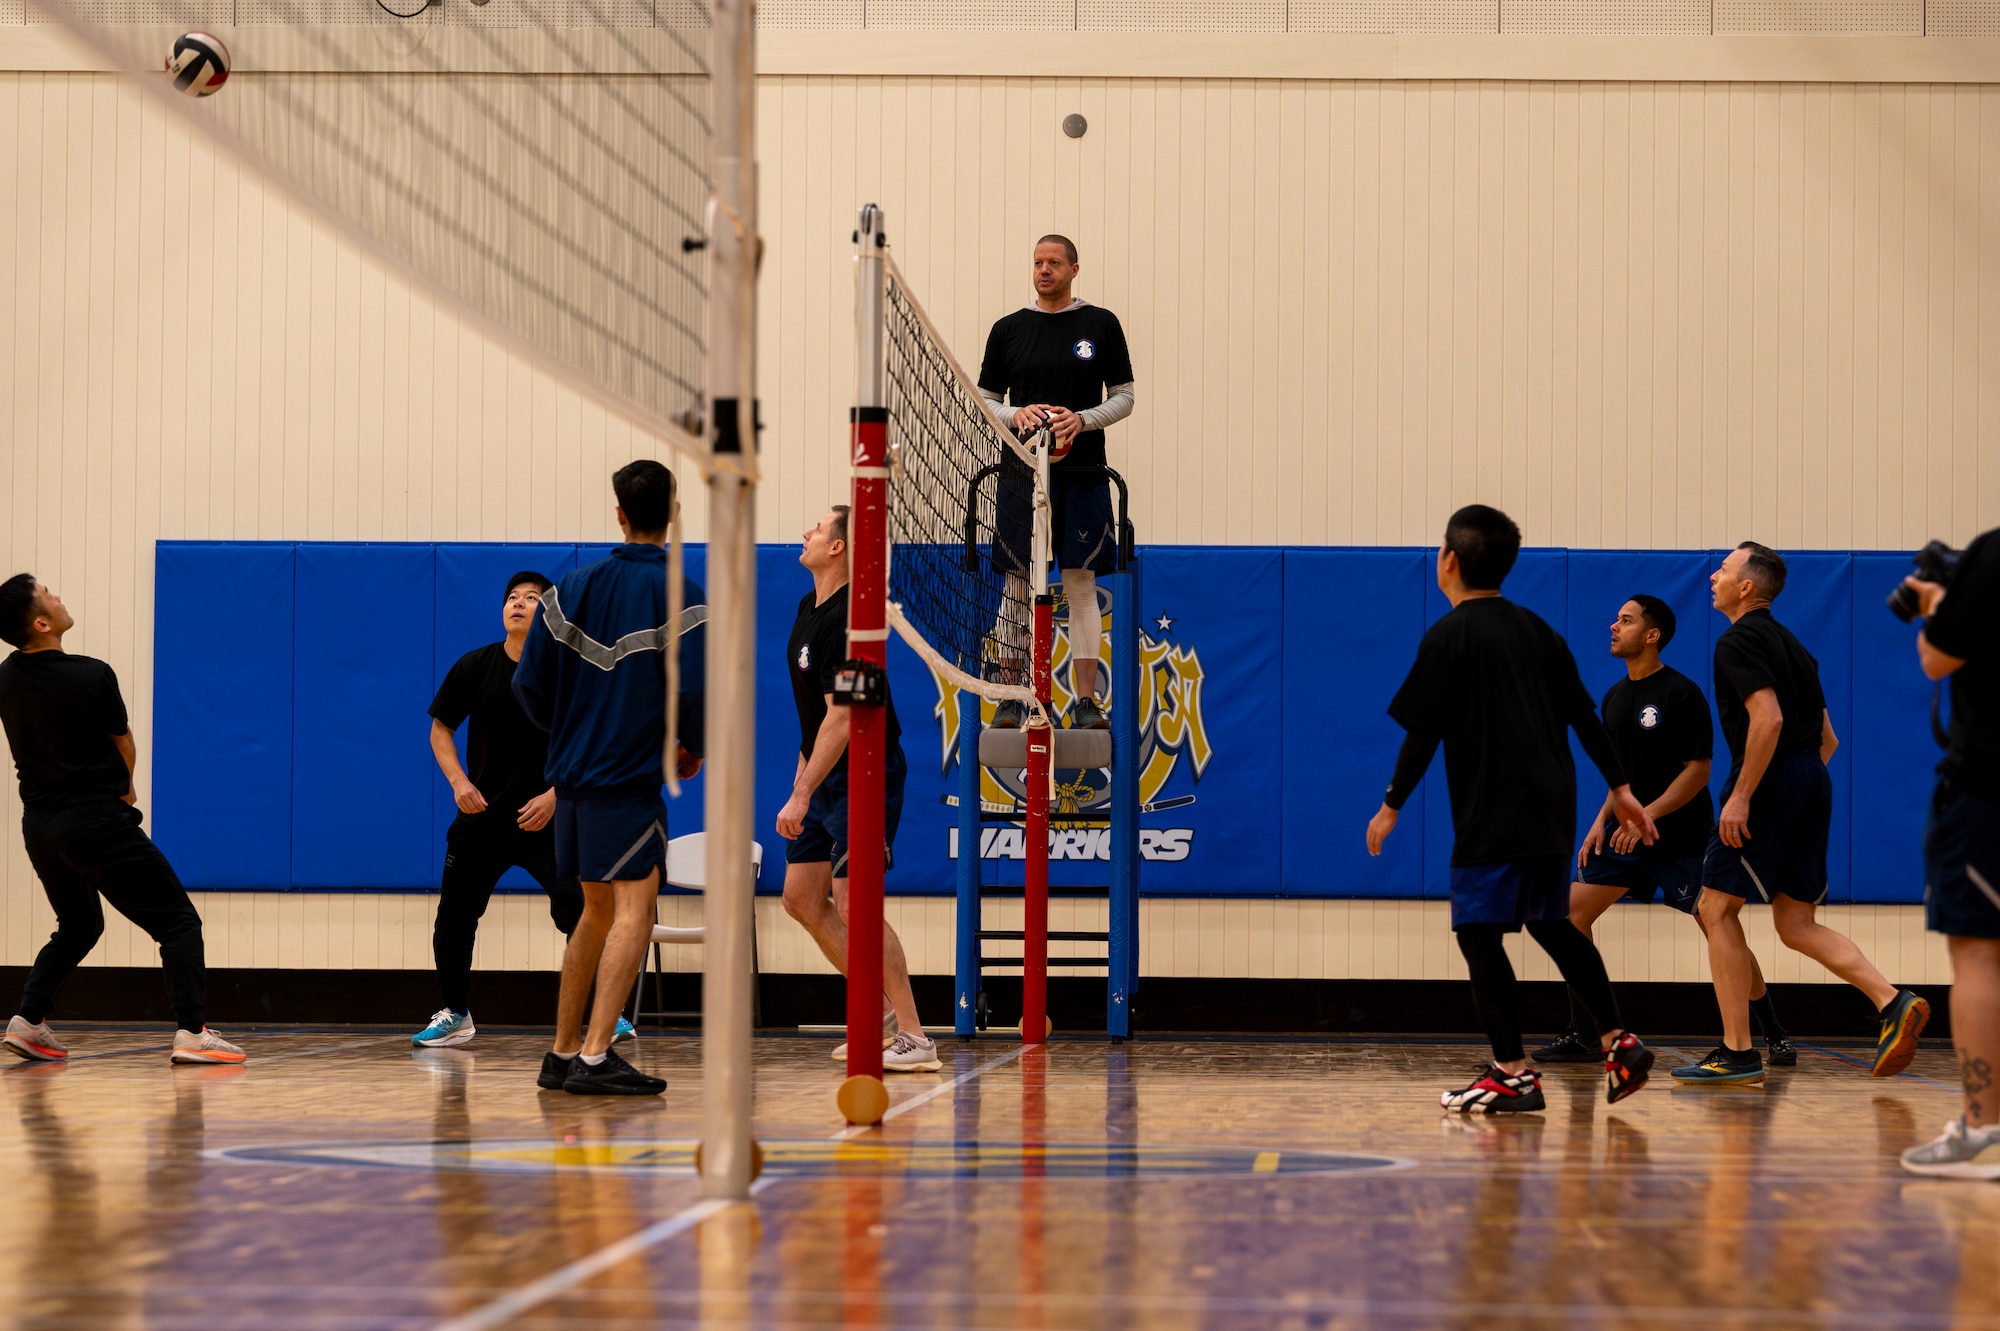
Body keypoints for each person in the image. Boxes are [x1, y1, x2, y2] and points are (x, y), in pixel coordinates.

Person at [1365, 506, 1658, 1113]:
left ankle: (1512, 1073)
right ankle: (1617, 1038)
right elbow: (1585, 715)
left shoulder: (1449, 635)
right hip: (1553, 808)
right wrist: (1623, 789)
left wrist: (1391, 805)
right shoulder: (1539, 630)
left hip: (1493, 812)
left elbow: (1423, 732)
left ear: (1448, 560)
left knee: (1478, 932)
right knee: (1550, 920)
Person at [1676, 542, 1929, 1086]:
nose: (1714, 576)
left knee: (1714, 909)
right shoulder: (1794, 645)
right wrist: (1796, 782)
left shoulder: (1737, 640)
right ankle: (1892, 1001)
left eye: (1723, 569)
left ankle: (1737, 1051)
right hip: (1812, 779)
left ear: (1747, 587)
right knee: (1795, 923)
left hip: (1770, 780)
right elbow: (1829, 739)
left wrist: (1743, 795)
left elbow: (1765, 720)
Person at [1534, 595, 1795, 1068]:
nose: (1614, 626)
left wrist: (1645, 817)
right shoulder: (1614, 698)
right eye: (1616, 619)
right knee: (1566, 916)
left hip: (1679, 841)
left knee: (1720, 928)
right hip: (1625, 839)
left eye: (1626, 621)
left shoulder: (1680, 692)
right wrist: (1599, 824)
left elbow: (1697, 772)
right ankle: (1588, 1032)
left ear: (1651, 636)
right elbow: (1621, 780)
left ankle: (1773, 1032)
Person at [514, 460, 705, 1096]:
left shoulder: (565, 591)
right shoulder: (683, 592)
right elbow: (699, 691)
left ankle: (562, 1052)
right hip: (627, 780)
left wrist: (570, 739)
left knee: (596, 910)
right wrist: (692, 747)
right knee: (634, 908)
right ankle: (596, 1056)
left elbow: (528, 687)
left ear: (619, 514)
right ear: (674, 514)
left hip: (572, 781)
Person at [0, 575, 245, 1066]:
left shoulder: (5, 677)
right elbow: (123, 741)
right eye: (50, 595)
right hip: (95, 821)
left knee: (78, 924)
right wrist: (127, 785)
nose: (60, 595)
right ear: (42, 622)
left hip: (41, 828)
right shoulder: (92, 674)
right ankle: (192, 1032)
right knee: (177, 921)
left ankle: (29, 1020)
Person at [414, 571, 614, 1050]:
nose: (518, 604)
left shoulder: (567, 670)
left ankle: (607, 1012)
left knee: (581, 912)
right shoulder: (475, 665)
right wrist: (459, 782)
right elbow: (440, 730)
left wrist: (555, 795)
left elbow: (591, 743)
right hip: (482, 820)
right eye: (511, 598)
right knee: (454, 918)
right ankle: (456, 1013)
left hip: (550, 818)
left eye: (531, 598)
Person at [778, 507, 941, 1073]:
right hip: (825, 772)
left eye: (817, 528)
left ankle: (916, 1038)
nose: (806, 531)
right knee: (800, 897)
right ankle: (876, 1018)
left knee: (855, 903)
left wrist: (800, 794)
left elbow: (847, 716)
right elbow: (814, 718)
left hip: (866, 772)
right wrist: (804, 781)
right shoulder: (809, 608)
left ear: (840, 548)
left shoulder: (855, 618)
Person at [978, 233, 1135, 731]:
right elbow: (984, 400)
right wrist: (1016, 413)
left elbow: (1125, 396)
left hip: (1084, 474)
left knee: (1080, 584)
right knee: (1017, 583)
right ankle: (1010, 694)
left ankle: (1086, 702)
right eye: (1038, 262)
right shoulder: (1008, 330)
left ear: (1074, 269)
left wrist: (1082, 420)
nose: (1044, 270)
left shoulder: (1100, 324)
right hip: (1021, 475)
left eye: (1055, 263)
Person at [1898, 528, 2000, 1177]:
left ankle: (1983, 1127)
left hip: (1989, 786)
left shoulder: (1993, 556)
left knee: (1978, 951)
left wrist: (1938, 599)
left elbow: (1936, 657)